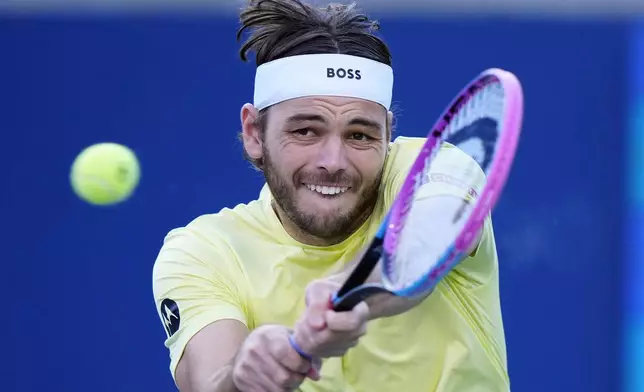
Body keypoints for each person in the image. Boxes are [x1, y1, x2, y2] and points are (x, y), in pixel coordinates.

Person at [152, 0, 509, 391]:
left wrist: (346, 294)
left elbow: (423, 242)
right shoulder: (204, 250)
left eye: (360, 135)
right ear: (255, 132)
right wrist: (243, 375)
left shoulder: (436, 168)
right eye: (305, 131)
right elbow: (208, 381)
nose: (333, 161)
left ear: (388, 134)